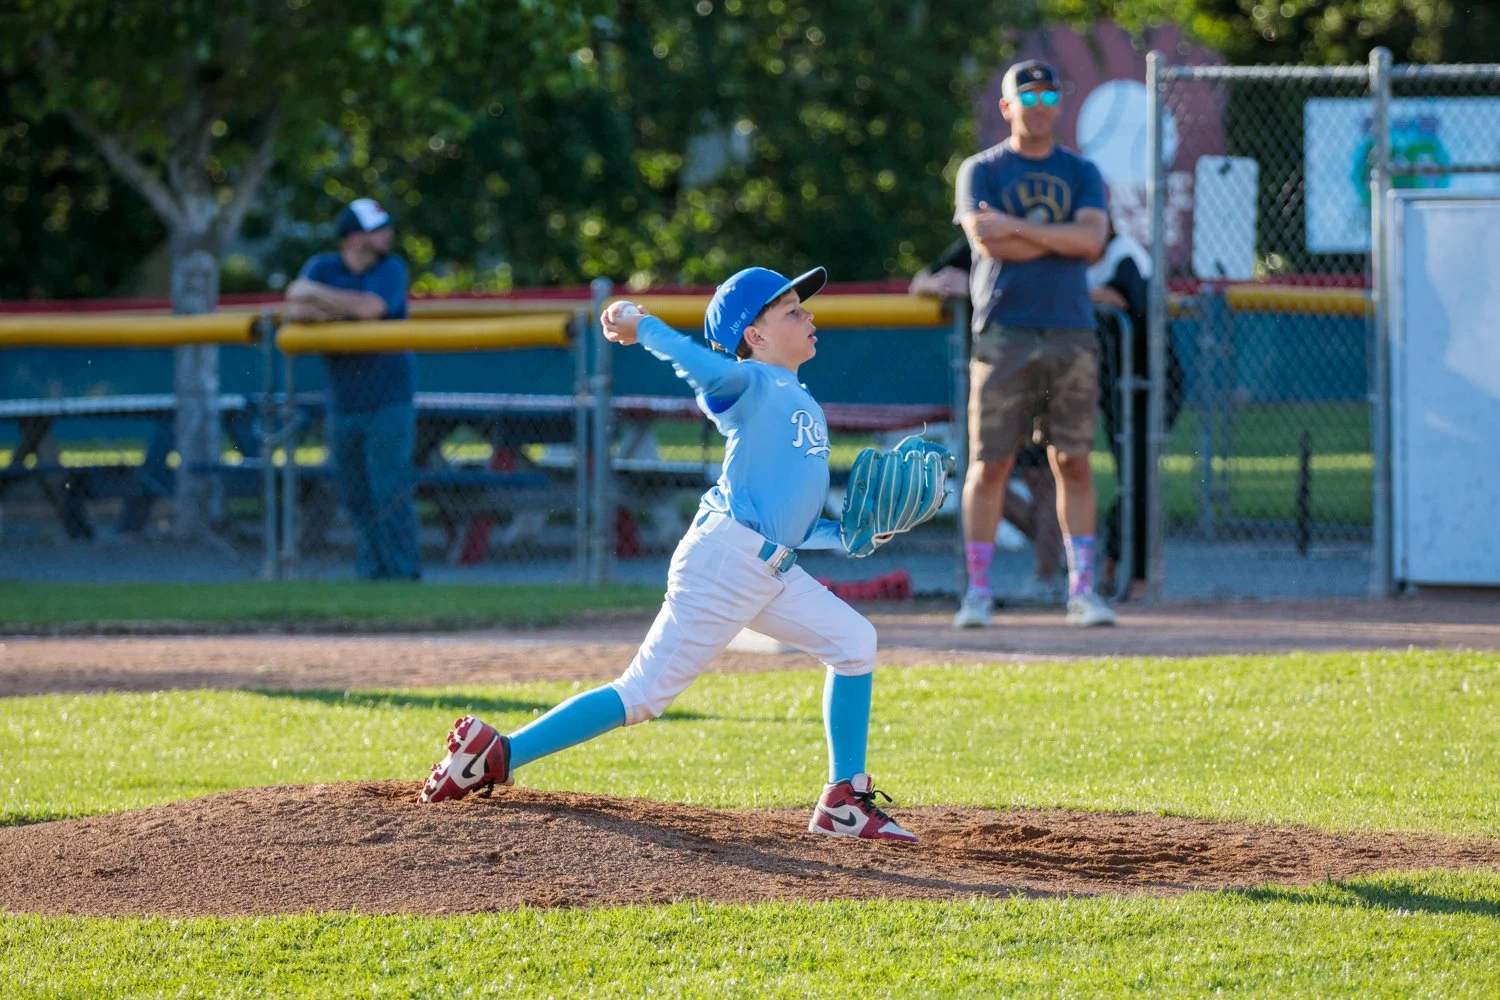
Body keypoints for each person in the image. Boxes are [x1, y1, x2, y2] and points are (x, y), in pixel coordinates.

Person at [418, 266, 920, 843]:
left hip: (767, 565)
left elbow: (788, 517)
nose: (809, 317)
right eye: (791, 312)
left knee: (855, 643)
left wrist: (847, 536)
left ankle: (844, 801)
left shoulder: (794, 393)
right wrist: (643, 326)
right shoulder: (750, 382)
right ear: (753, 336)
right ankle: (498, 753)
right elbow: (704, 368)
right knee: (642, 695)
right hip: (725, 564)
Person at [952, 59, 1115, 629]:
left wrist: (1019, 228)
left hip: (1070, 330)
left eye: (1050, 95)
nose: (1040, 105)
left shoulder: (1083, 171)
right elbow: (988, 242)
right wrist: (1057, 239)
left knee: (1073, 460)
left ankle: (1083, 590)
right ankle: (977, 593)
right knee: (989, 464)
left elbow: (1091, 241)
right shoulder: (981, 170)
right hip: (1004, 332)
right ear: (1007, 107)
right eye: (1029, 96)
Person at [911, 238, 1066, 602]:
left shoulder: (1042, 237)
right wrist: (939, 286)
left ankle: (1048, 577)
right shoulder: (979, 237)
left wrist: (974, 288)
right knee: (980, 472)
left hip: (1040, 371)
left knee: (1043, 477)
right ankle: (1054, 556)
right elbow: (918, 281)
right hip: (990, 376)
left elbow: (1042, 293)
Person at [285, 198, 420, 581]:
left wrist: (319, 297)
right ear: (354, 237)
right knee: (355, 495)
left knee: (389, 490)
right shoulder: (322, 266)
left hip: (389, 397)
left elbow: (370, 308)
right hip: (343, 400)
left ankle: (403, 575)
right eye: (379, 230)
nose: (388, 235)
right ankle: (372, 575)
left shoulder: (390, 268)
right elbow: (296, 309)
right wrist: (338, 304)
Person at [1088, 221, 1184, 599]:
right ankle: (1114, 560)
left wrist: (1096, 295)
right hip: (1117, 390)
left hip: (1156, 386)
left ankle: (1137, 577)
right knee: (1131, 479)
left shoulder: (1124, 253)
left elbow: (1136, 304)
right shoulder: (1081, 264)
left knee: (1139, 479)